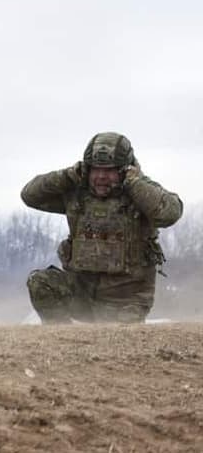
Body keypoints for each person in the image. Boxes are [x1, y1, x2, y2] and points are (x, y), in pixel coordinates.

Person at [22, 132, 183, 324]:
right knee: (40, 282)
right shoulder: (77, 195)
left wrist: (134, 184)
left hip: (125, 302)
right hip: (81, 294)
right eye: (95, 170)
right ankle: (63, 338)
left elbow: (170, 212)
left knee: (117, 342)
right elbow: (30, 195)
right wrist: (67, 176)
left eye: (109, 171)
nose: (100, 177)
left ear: (124, 170)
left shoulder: (140, 194)